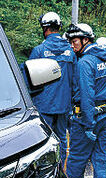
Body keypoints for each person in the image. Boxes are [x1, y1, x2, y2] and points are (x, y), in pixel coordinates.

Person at [64, 22, 106, 178]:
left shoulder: (85, 63)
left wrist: (87, 124)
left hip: (88, 118)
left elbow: (87, 95)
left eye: (74, 41)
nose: (72, 45)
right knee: (102, 156)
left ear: (85, 40)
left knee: (77, 158)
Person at [27, 12, 77, 149]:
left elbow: (29, 81)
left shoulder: (39, 51)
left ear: (45, 28)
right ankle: (61, 168)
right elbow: (75, 82)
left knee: (43, 140)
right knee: (61, 138)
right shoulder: (70, 52)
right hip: (64, 105)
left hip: (44, 104)